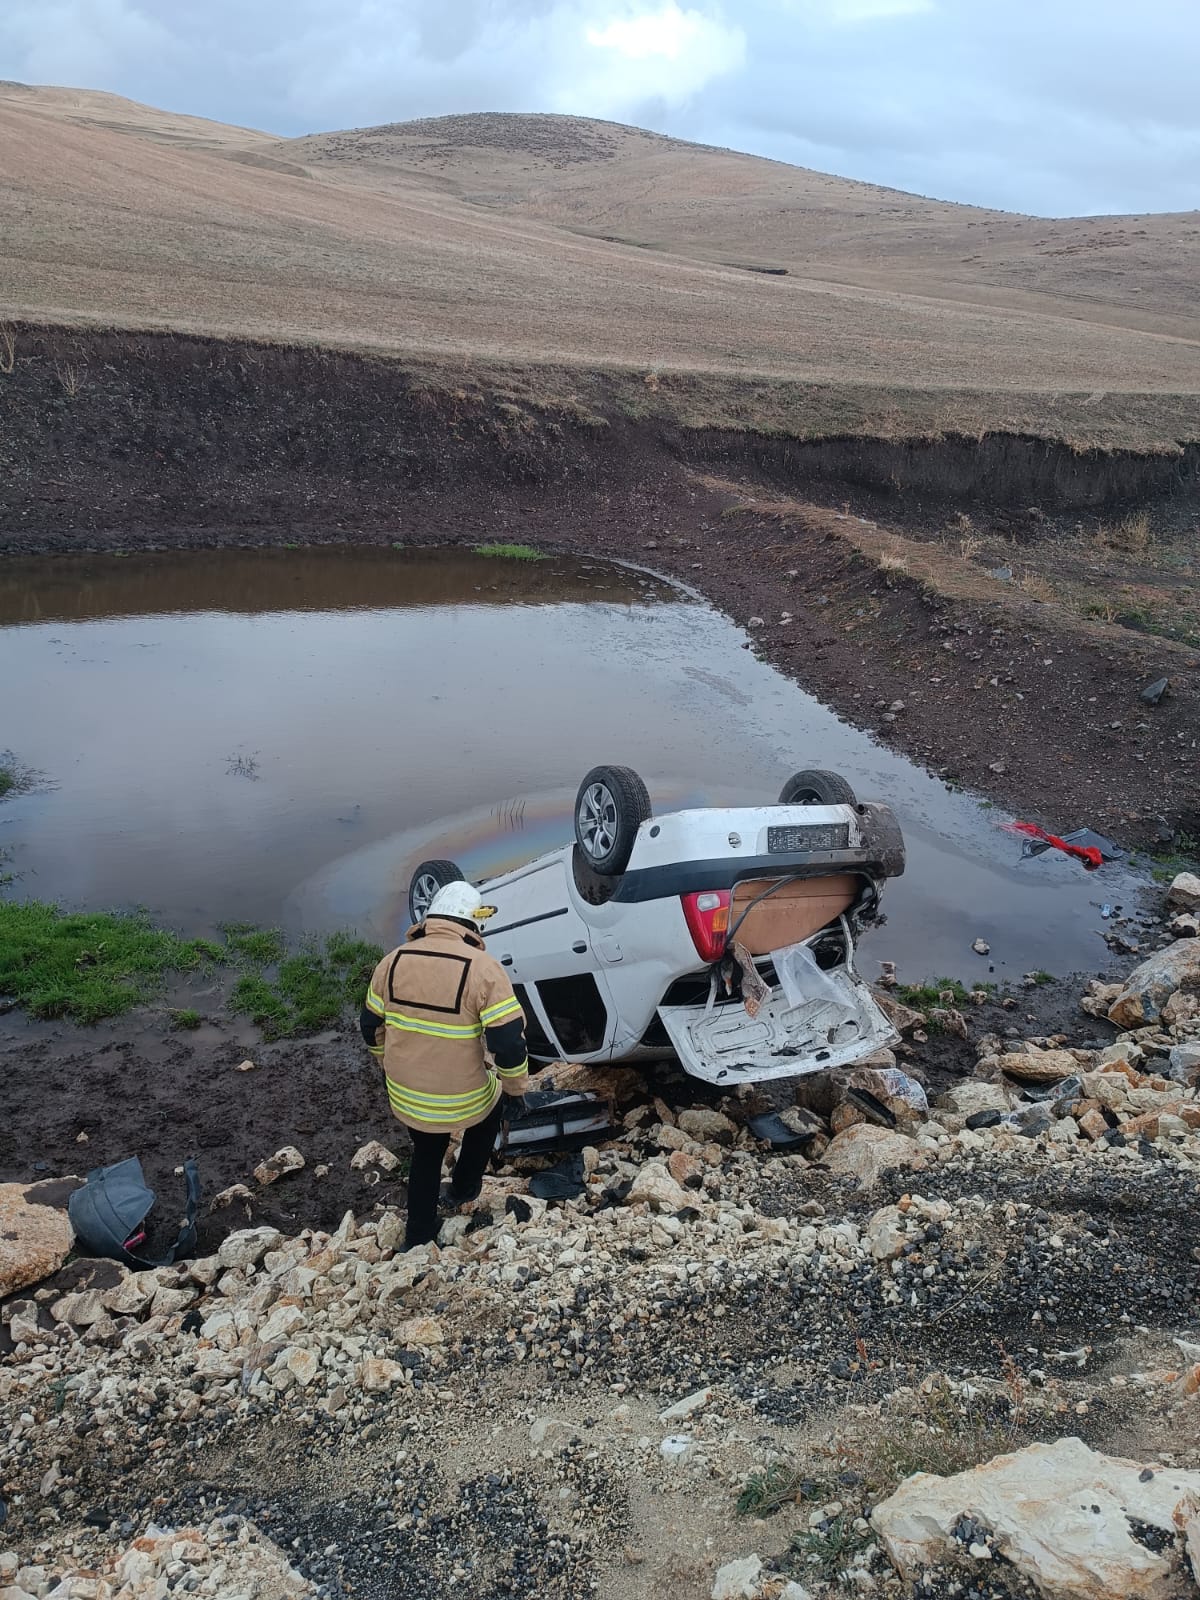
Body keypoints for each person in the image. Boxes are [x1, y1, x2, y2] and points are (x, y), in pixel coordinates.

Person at [359, 880, 529, 1249]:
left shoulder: (392, 961)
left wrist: (387, 1067)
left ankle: (418, 1235)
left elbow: (370, 1027)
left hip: (405, 1095)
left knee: (426, 1151)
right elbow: (508, 1045)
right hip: (462, 1097)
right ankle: (465, 1187)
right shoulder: (484, 969)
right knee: (493, 1107)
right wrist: (517, 1091)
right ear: (473, 924)